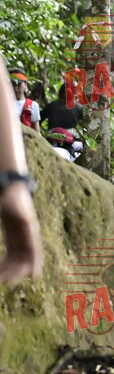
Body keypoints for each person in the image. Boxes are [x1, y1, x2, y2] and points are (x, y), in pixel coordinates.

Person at [0, 54, 42, 286]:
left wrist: (15, 182)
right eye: (13, 82)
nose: (16, 86)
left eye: (20, 83)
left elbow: (36, 131)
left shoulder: (30, 106)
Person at [10, 68, 41, 134]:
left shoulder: (33, 105)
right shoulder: (3, 104)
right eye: (13, 84)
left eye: (19, 84)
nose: (16, 88)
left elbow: (36, 132)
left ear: (25, 84)